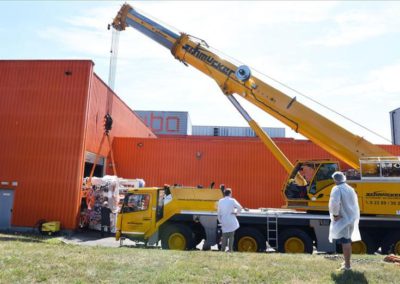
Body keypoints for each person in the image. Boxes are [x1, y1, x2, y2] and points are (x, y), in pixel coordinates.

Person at [328, 171, 361, 271]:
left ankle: (347, 266)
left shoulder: (337, 189)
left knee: (345, 241)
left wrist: (335, 215)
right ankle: (347, 262)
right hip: (351, 218)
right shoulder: (350, 188)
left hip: (344, 219)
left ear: (335, 179)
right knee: (347, 241)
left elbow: (334, 203)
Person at [217, 188, 243, 252]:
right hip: (231, 220)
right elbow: (240, 207)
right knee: (231, 236)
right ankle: (230, 250)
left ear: (224, 193)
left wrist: (220, 220)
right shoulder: (232, 200)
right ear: (230, 193)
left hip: (224, 220)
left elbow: (218, 212)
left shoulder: (220, 201)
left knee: (224, 236)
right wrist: (236, 213)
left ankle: (222, 250)